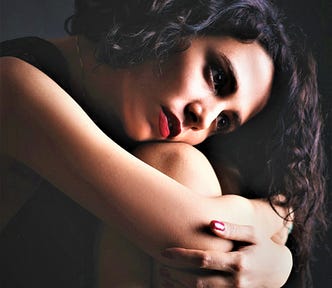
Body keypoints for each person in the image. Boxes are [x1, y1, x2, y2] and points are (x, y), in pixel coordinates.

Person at [0, 0, 326, 287]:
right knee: (182, 166)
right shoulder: (12, 84)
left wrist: (278, 255)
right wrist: (277, 222)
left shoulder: (138, 140)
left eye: (223, 122)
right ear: (175, 20)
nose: (204, 117)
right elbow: (202, 239)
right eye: (217, 78)